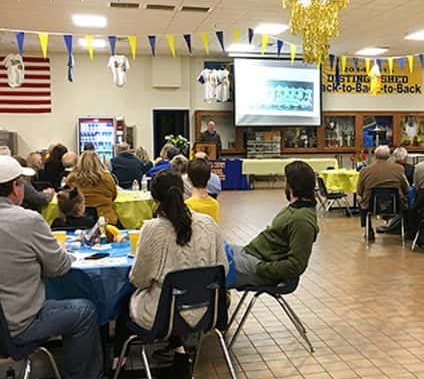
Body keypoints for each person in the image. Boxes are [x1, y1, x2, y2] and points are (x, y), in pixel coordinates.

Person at [0, 156, 102, 379]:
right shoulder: (28, 221)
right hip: (18, 323)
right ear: (16, 189)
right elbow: (60, 267)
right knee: (85, 310)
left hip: (7, 318)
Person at [119, 169, 228, 377]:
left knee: (125, 302)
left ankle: (119, 362)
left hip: (163, 316)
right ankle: (179, 352)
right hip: (207, 312)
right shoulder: (208, 224)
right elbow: (223, 269)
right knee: (172, 295)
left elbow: (139, 280)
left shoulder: (153, 229)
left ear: (153, 198)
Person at [230, 161, 319, 286]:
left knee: (213, 265)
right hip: (253, 255)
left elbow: (296, 265)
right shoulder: (297, 210)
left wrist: (261, 268)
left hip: (260, 267)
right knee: (216, 248)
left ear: (292, 186)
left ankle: (219, 302)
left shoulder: (302, 221)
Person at [357, 146, 410, 242]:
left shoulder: (364, 171)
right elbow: (406, 189)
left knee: (361, 202)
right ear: (389, 156)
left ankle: (368, 228)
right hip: (396, 204)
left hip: (371, 205)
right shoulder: (399, 169)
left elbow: (360, 191)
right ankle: (406, 230)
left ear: (375, 156)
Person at [65, 151, 119, 225]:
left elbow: (67, 199)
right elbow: (114, 195)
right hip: (105, 219)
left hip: (78, 218)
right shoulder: (107, 177)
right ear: (98, 162)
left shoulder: (72, 178)